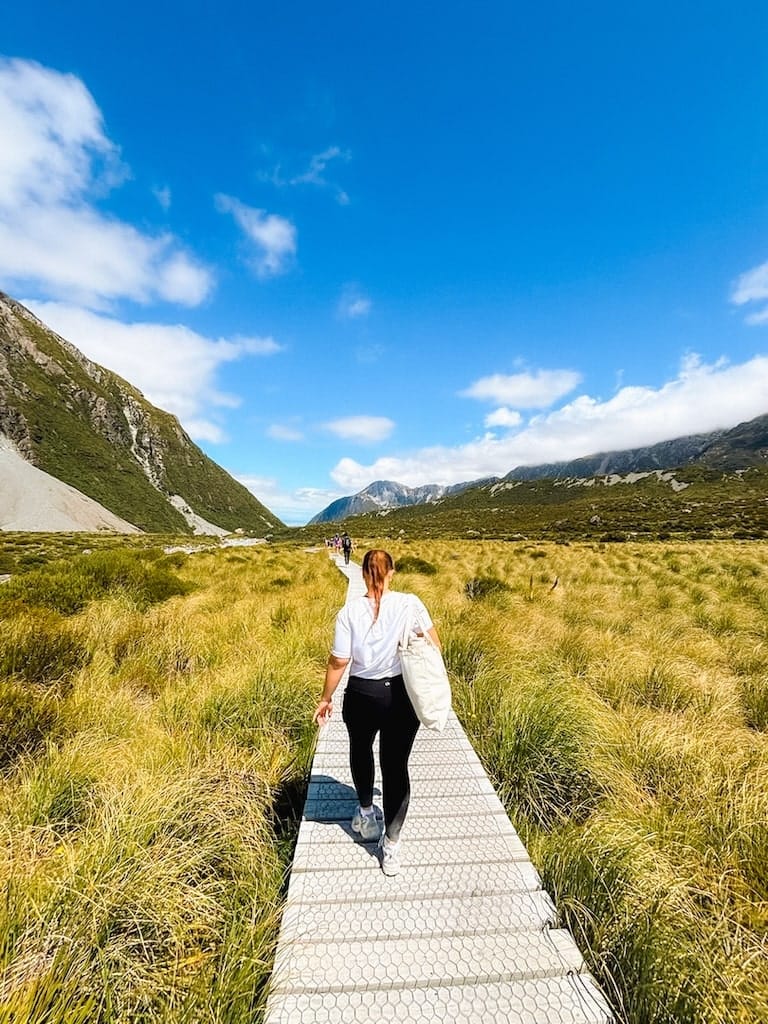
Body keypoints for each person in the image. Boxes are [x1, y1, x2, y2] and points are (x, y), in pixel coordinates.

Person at [313, 549, 441, 876]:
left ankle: (367, 816)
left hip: (361, 694)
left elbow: (339, 661)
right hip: (401, 695)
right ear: (392, 572)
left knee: (360, 750)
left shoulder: (349, 612)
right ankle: (392, 846)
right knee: (396, 767)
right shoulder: (411, 603)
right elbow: (434, 646)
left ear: (365, 575)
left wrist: (326, 698)